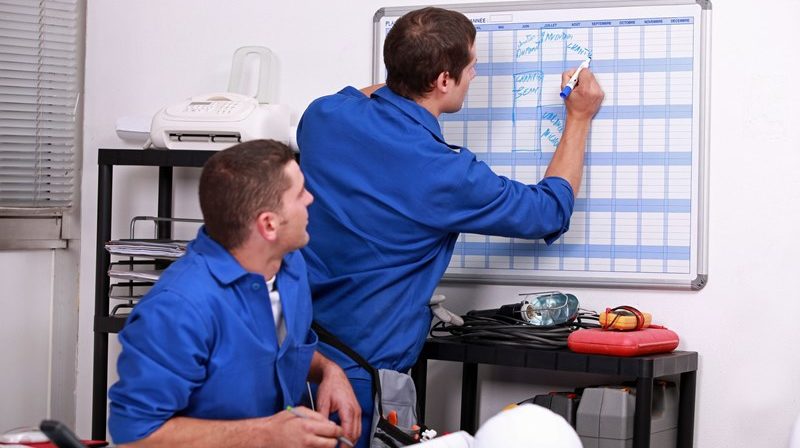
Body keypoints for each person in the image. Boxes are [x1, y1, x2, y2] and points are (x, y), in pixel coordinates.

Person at [296, 7, 604, 447]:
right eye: (472, 65)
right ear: (444, 80)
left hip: (296, 364)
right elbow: (549, 209)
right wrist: (578, 118)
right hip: (360, 385)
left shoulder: (323, 117)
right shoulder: (445, 173)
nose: (475, 73)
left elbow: (371, 95)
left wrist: (410, 74)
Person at [107, 140, 361, 447]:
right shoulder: (177, 309)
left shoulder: (289, 265)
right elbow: (135, 437)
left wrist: (329, 371)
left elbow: (281, 350)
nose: (310, 198)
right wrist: (266, 435)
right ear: (269, 225)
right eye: (299, 194)